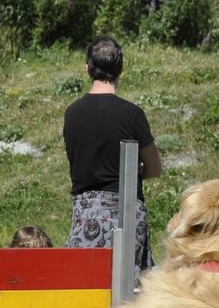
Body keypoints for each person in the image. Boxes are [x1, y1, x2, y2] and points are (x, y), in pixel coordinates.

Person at [62, 36, 162, 269]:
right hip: (127, 215)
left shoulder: (72, 114)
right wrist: (133, 172)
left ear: (87, 68)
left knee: (85, 285)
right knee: (128, 291)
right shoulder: (132, 114)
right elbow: (154, 168)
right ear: (121, 69)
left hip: (85, 216)